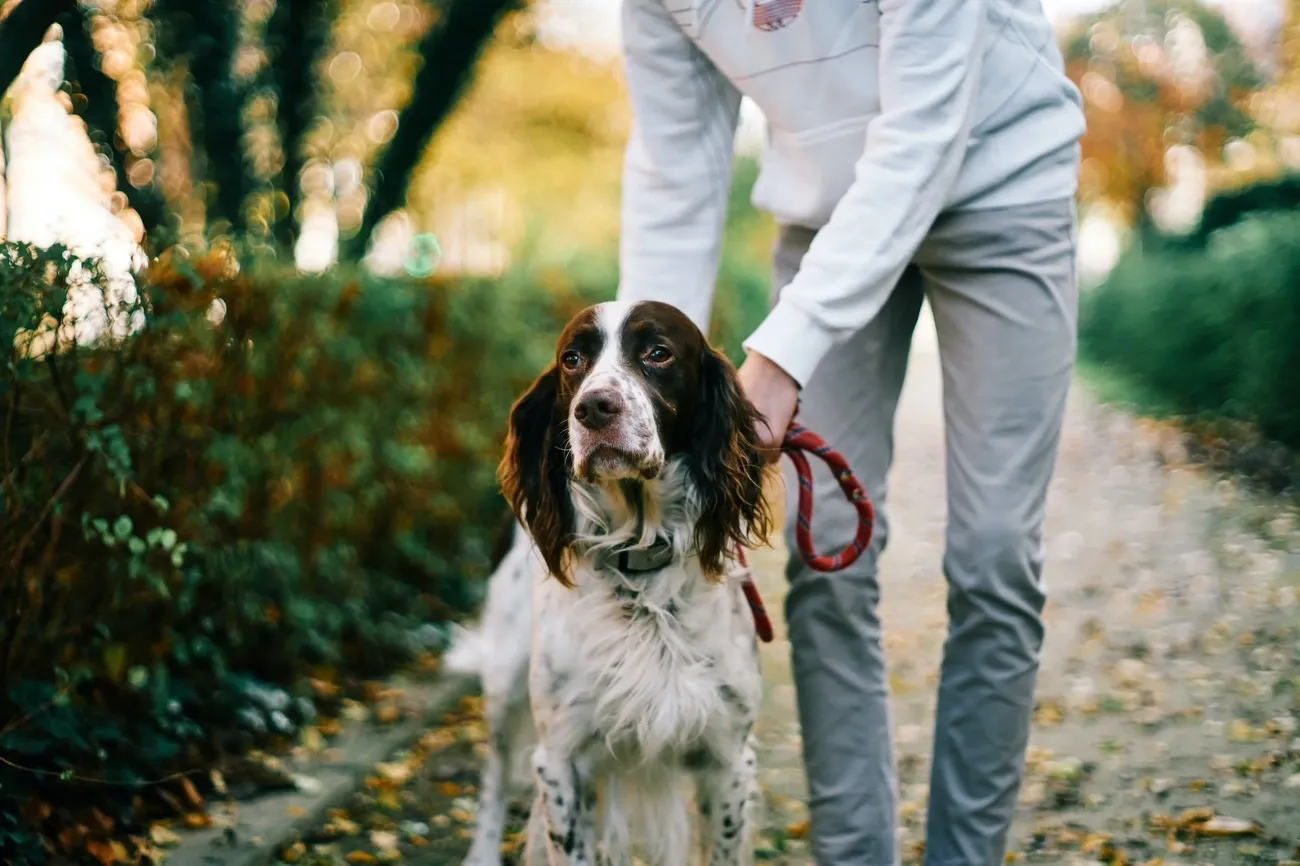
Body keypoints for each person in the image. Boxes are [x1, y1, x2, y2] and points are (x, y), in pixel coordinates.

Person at [614, 0, 1086, 863]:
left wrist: (782, 356)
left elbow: (924, 135)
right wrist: (643, 389)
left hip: (1000, 186)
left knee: (994, 557)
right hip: (826, 213)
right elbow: (674, 175)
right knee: (825, 553)